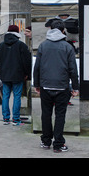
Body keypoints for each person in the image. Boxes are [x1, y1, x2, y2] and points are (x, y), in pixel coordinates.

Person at [33, 20, 79, 153]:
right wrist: (75, 87)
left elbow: (37, 67)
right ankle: (58, 144)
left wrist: (37, 85)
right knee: (60, 115)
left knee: (46, 114)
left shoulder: (42, 46)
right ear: (63, 31)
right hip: (62, 86)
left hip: (46, 86)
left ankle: (46, 141)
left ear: (50, 30)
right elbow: (72, 69)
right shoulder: (67, 47)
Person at [0, 25, 33, 125]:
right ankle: (16, 119)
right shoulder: (21, 45)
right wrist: (27, 74)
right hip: (18, 75)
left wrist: (1, 73)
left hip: (5, 75)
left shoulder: (1, 45)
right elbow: (26, 61)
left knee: (5, 96)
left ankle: (5, 118)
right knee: (17, 96)